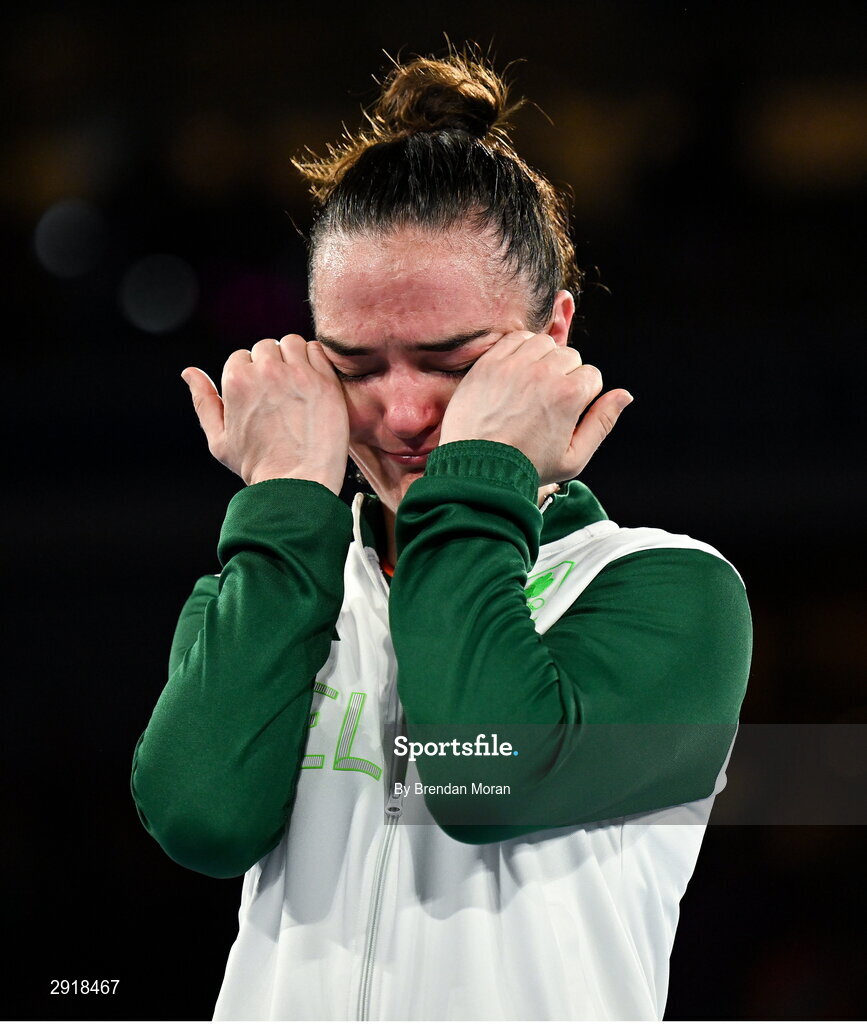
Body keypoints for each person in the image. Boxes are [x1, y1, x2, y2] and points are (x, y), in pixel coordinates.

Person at [131, 46, 752, 1021]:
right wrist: (288, 503)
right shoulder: (284, 569)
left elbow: (482, 774)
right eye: (356, 364)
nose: (405, 413)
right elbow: (200, 817)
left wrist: (476, 481)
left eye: (449, 360)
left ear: (551, 338)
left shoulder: (669, 587)